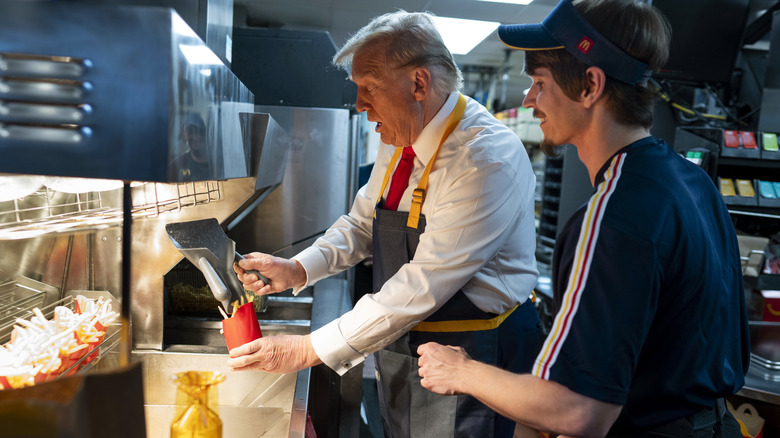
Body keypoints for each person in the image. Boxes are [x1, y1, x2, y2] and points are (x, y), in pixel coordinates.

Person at [417, 0, 751, 436]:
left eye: (540, 82)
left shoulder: (611, 215)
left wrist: (462, 371)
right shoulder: (690, 180)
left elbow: (579, 412)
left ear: (590, 85)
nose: (529, 98)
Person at [229, 10, 542, 437]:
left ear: (418, 83)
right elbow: (362, 222)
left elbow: (422, 283)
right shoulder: (401, 138)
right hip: (406, 344)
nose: (359, 104)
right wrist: (299, 268)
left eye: (369, 88)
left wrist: (307, 349)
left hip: (470, 352)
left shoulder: (484, 158)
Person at [168, 112, 210, 180]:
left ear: (204, 134)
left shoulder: (215, 164)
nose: (195, 137)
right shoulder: (177, 164)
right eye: (190, 132)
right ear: (186, 135)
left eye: (199, 131)